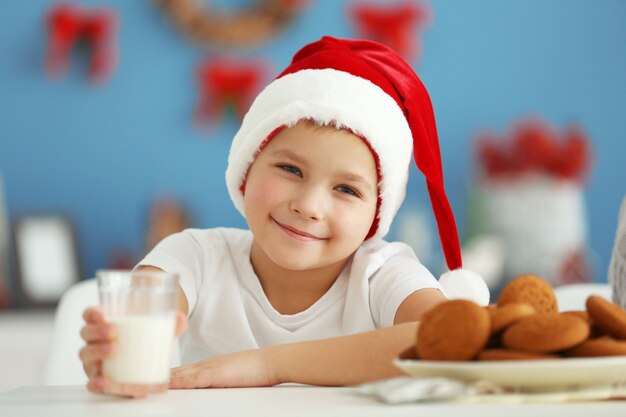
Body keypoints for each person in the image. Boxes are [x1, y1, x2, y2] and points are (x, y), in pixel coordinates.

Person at [79, 36, 489, 397]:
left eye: (346, 189)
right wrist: (117, 346)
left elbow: (449, 340)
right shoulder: (195, 255)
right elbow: (143, 309)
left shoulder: (382, 273)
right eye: (290, 170)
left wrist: (267, 365)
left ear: (375, 215)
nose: (308, 206)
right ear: (247, 168)